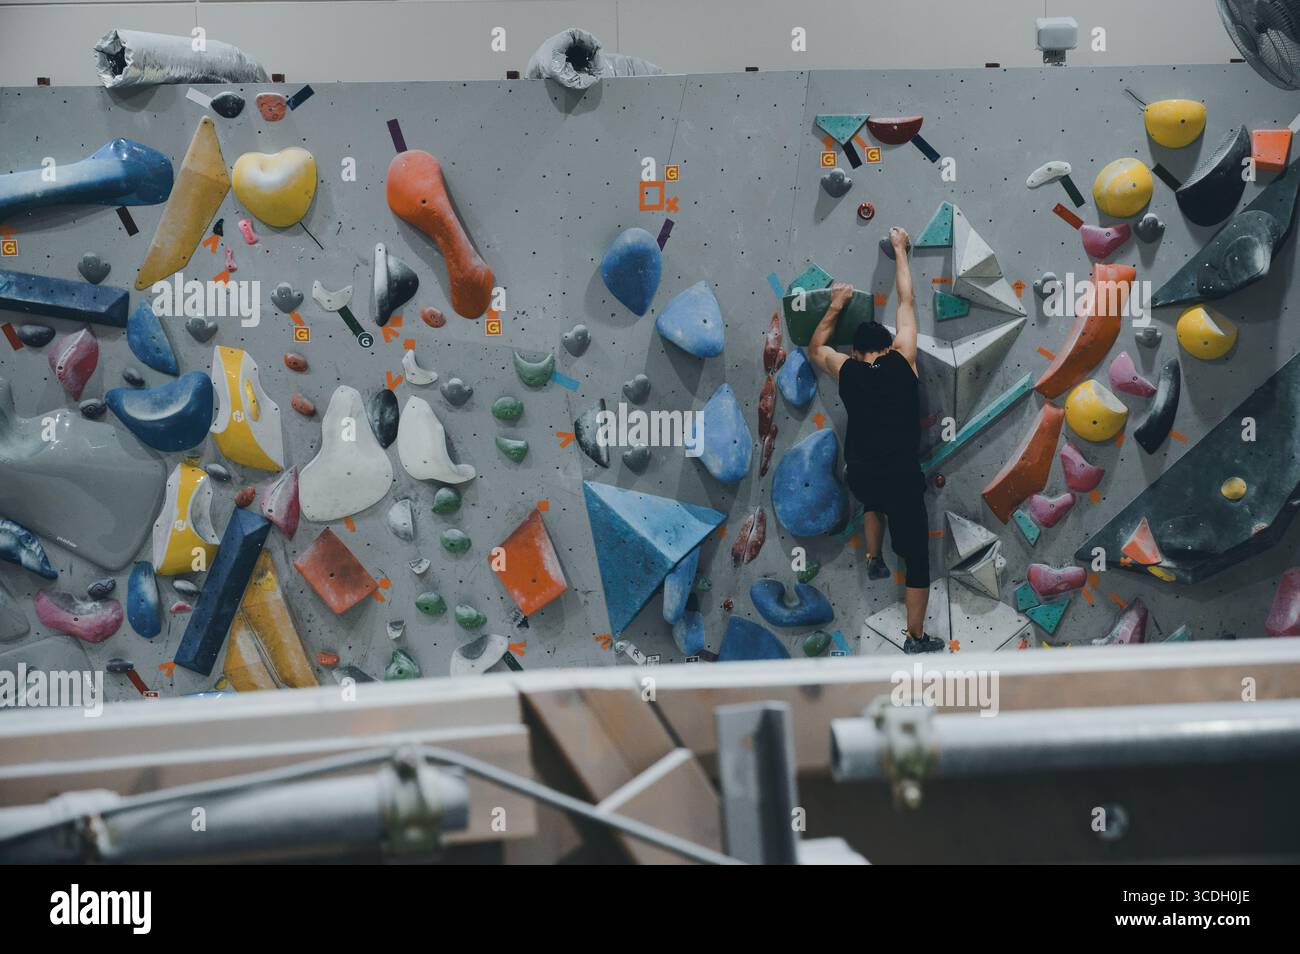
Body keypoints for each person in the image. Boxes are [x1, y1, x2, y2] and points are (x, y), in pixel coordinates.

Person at [806, 226, 944, 654]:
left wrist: (835, 306)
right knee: (917, 558)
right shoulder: (904, 358)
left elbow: (815, 348)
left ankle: (872, 556)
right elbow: (907, 301)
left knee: (872, 500)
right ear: (886, 347)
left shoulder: (847, 370)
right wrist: (901, 251)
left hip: (862, 474)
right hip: (901, 475)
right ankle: (916, 638)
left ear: (859, 352)